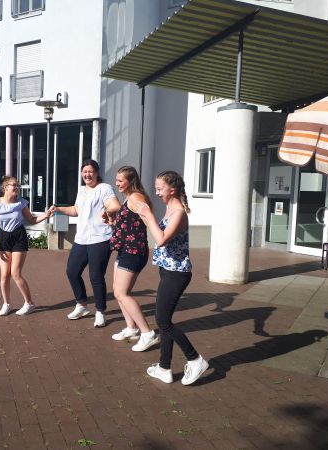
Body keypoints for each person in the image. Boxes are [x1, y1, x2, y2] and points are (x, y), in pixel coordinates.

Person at [134, 170, 209, 385]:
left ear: (172, 189)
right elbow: (156, 231)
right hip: (168, 271)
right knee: (164, 320)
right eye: (156, 189)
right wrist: (143, 216)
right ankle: (164, 368)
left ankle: (195, 359)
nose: (157, 193)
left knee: (163, 322)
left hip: (177, 273)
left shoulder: (179, 213)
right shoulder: (169, 209)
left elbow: (161, 240)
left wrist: (149, 215)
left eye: (160, 189)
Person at [48, 159, 120, 328]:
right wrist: (58, 209)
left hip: (100, 238)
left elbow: (115, 205)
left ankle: (100, 311)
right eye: (85, 172)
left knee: (96, 276)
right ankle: (81, 305)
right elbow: (76, 210)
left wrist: (107, 211)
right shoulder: (82, 190)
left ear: (97, 173)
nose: (87, 174)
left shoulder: (104, 188)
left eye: (90, 171)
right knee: (72, 272)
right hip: (81, 238)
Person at [0, 176, 51, 316]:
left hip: (19, 236)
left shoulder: (21, 203)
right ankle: (6, 304)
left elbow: (31, 220)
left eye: (18, 185)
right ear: (5, 187)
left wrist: (46, 215)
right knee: (4, 275)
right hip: (4, 237)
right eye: (14, 185)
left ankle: (29, 303)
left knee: (15, 274)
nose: (17, 188)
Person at [105, 166, 160, 351]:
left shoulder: (136, 198)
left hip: (134, 251)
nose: (117, 183)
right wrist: (112, 221)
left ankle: (147, 333)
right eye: (116, 180)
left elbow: (148, 218)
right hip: (125, 250)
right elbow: (129, 224)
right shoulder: (129, 197)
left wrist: (161, 239)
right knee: (117, 291)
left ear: (130, 181)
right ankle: (131, 328)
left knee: (122, 293)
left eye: (121, 180)